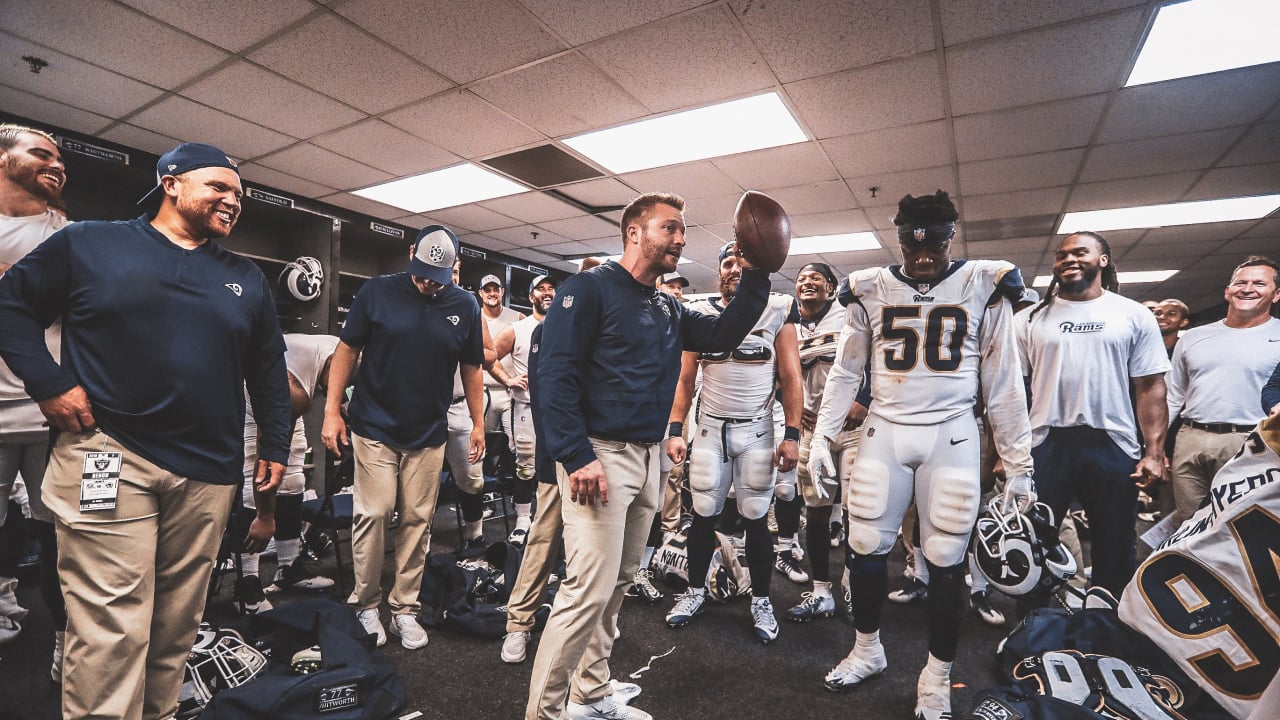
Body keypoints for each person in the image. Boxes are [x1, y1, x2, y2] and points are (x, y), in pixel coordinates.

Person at [0, 141, 291, 720]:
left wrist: (276, 447)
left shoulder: (245, 277)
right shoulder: (91, 243)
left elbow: (267, 371)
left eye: (239, 194)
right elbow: (10, 306)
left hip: (209, 471)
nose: (233, 201)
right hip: (109, 454)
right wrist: (48, 384)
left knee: (175, 630)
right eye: (220, 188)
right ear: (171, 182)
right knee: (112, 629)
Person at [527, 192, 770, 720]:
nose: (681, 239)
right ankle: (543, 714)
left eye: (682, 230)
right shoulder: (587, 289)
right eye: (671, 228)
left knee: (619, 581)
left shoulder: (665, 305)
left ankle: (591, 695)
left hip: (647, 455)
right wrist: (575, 455)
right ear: (635, 231)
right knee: (585, 591)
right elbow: (554, 377)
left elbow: (724, 333)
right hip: (599, 455)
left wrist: (755, 277)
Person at [811, 191, 1035, 720]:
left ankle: (937, 674)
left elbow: (1004, 382)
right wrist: (822, 436)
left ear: (950, 235)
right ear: (899, 237)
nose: (924, 253)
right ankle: (868, 649)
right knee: (864, 547)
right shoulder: (869, 287)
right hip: (884, 428)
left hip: (951, 433)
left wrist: (1019, 464)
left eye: (934, 241)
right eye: (914, 241)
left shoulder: (985, 281)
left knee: (946, 560)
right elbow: (846, 372)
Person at [321, 225, 485, 651]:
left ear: (455, 268)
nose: (428, 281)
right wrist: (331, 411)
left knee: (417, 520)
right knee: (374, 514)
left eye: (439, 275)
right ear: (411, 253)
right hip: (373, 425)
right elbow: (347, 351)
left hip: (429, 432)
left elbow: (471, 368)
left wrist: (479, 422)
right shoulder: (376, 292)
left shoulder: (465, 305)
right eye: (422, 270)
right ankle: (365, 603)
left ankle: (405, 609)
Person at [1015, 231, 1169, 600]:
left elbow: (1150, 386)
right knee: (1036, 542)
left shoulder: (1131, 314)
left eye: (1080, 252)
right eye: (1061, 254)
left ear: (1103, 260)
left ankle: (1108, 628)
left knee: (1115, 543)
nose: (1068, 259)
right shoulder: (1029, 319)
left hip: (1112, 442)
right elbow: (1013, 392)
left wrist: (1153, 451)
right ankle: (1037, 626)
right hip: (1047, 442)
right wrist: (1010, 452)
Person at [664, 241, 801, 643]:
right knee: (703, 513)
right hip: (710, 427)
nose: (735, 269)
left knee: (756, 516)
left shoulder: (778, 307)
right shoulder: (699, 312)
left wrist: (792, 434)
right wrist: (676, 429)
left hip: (757, 427)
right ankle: (694, 591)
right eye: (728, 262)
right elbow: (685, 379)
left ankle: (761, 598)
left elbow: (791, 377)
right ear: (719, 270)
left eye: (743, 262)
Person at [0, 123, 69, 678]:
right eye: (41, 154)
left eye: (60, 158)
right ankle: (4, 600)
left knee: (62, 532)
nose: (56, 164)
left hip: (52, 410)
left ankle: (66, 639)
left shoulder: (65, 234)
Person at [781, 262, 868, 622]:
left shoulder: (849, 315)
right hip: (811, 430)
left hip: (850, 428)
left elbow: (873, 360)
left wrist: (864, 398)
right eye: (801, 278)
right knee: (814, 514)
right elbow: (780, 374)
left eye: (815, 277)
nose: (807, 282)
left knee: (855, 513)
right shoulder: (788, 326)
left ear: (831, 287)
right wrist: (791, 408)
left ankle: (851, 585)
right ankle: (821, 591)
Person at [232, 333, 341, 614]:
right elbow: (268, 451)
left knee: (293, 480)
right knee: (257, 476)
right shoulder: (295, 392)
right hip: (251, 392)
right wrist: (265, 517)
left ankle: (290, 569)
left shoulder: (344, 353)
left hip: (286, 382)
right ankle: (248, 583)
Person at [1165, 257, 1280, 520]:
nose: (1248, 288)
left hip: (1252, 440)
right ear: (1228, 292)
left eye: (1259, 283)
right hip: (1190, 438)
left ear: (1276, 295)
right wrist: (1155, 449)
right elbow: (1173, 396)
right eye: (1241, 282)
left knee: (1244, 524)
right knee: (1190, 524)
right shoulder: (1194, 337)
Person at [490, 274, 557, 546]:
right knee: (525, 466)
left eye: (551, 288)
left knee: (553, 465)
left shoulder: (565, 325)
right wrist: (508, 380)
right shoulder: (518, 329)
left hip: (556, 411)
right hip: (526, 408)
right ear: (531, 297)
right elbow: (488, 357)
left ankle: (547, 520)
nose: (547, 292)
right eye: (541, 289)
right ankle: (522, 521)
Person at [479, 273, 524, 483]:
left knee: (515, 445)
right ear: (481, 293)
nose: (492, 294)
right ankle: (486, 496)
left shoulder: (517, 318)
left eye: (495, 289)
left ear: (502, 292)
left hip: (511, 391)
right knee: (485, 444)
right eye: (487, 290)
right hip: (484, 392)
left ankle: (515, 492)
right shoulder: (475, 316)